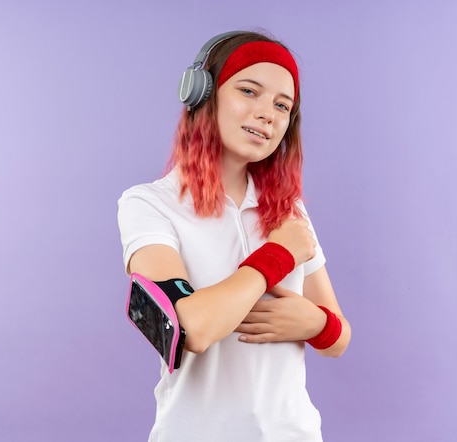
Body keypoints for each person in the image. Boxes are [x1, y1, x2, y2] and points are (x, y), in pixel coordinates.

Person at [117, 30, 351, 442]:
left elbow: (338, 336)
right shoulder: (149, 205)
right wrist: (277, 255)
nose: (269, 114)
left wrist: (314, 323)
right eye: (249, 91)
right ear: (202, 95)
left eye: (283, 105)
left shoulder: (290, 211)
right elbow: (191, 328)